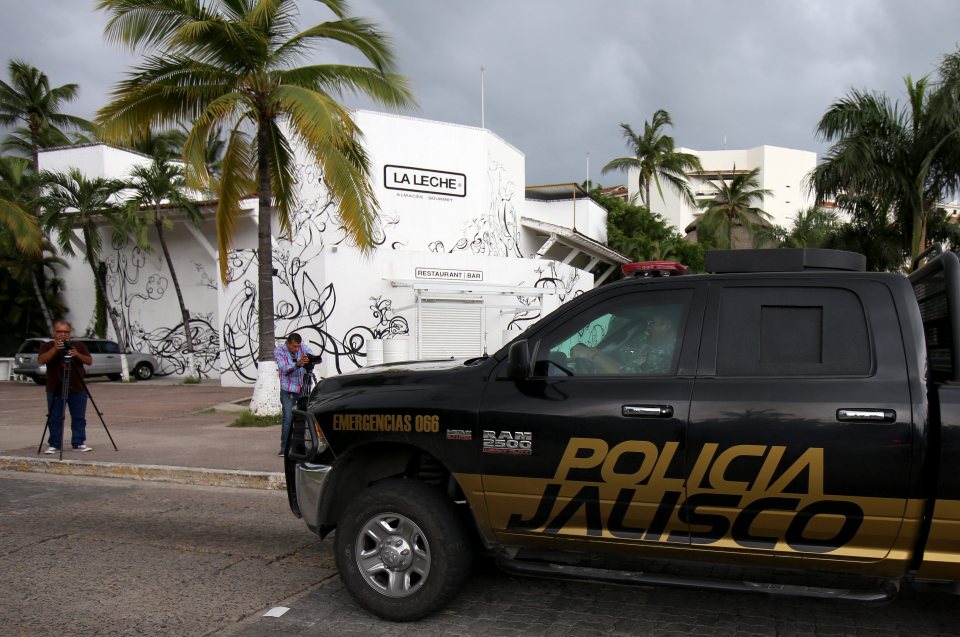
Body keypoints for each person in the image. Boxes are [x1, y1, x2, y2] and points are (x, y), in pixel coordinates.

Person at [37, 321, 94, 453]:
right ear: (54, 333)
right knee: (55, 417)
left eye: (66, 332)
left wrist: (77, 354)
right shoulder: (47, 346)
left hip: (77, 387)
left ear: (70, 333)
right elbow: (41, 360)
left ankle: (79, 442)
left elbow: (89, 361)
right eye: (59, 332)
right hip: (55, 387)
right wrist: (55, 349)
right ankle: (55, 444)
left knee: (79, 417)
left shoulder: (78, 345)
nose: (63, 334)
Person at [570, 316, 676, 375]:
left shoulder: (668, 354)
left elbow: (625, 376)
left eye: (652, 323)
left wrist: (590, 354)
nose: (647, 328)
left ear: (666, 325)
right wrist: (597, 354)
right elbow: (629, 367)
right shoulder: (654, 349)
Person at [274, 332, 315, 456]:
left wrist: (312, 359)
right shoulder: (279, 351)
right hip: (288, 389)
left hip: (303, 388)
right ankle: (284, 448)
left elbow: (314, 357)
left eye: (298, 346)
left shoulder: (303, 348)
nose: (297, 349)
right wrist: (298, 364)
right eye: (294, 347)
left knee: (304, 418)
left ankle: (301, 446)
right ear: (288, 344)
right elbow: (284, 368)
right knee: (288, 418)